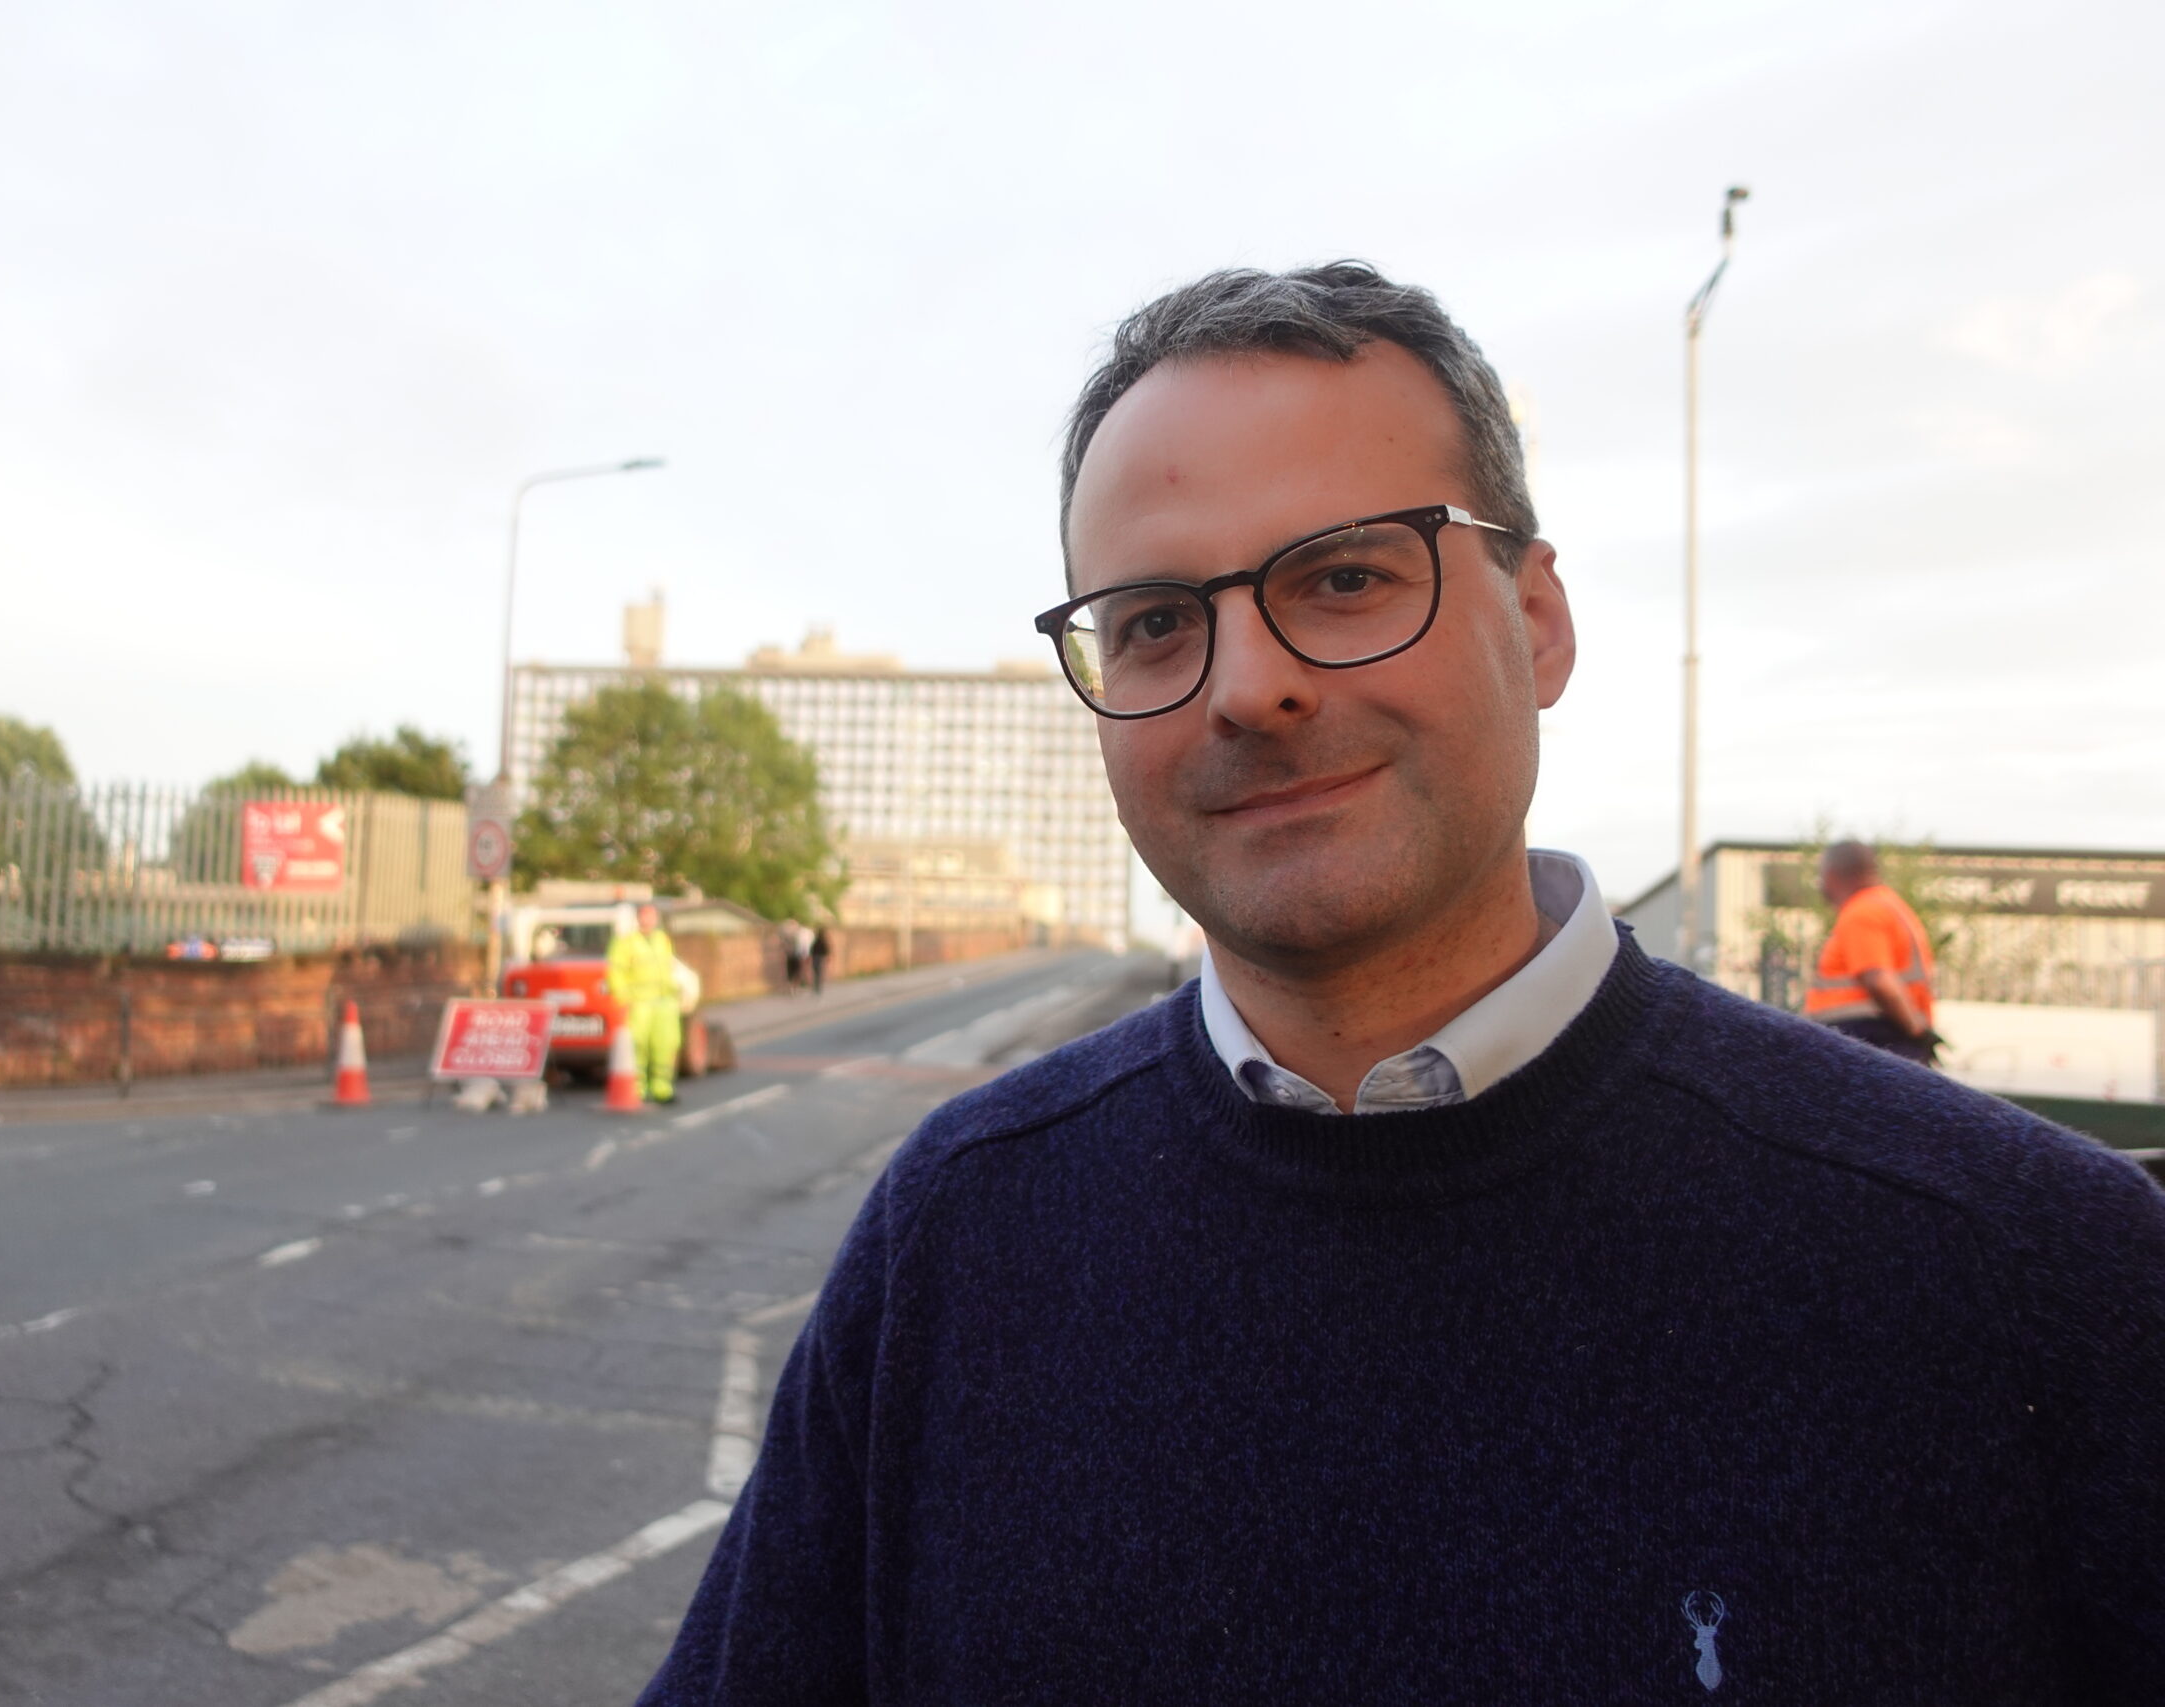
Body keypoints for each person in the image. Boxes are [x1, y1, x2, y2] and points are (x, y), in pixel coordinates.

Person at [639, 266, 2165, 1702]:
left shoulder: (2034, 1269)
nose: (1249, 685)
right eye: (1158, 621)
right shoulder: (956, 1235)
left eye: (1350, 575)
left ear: (1541, 619)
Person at [1806, 838, 1941, 1063]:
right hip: (1882, 1041)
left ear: (1829, 875)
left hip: (1865, 1039)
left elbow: (1878, 979)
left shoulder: (1863, 912)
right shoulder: (1890, 906)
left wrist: (1916, 1031)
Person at [606, 901, 683, 1105]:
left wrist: (675, 993)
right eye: (644, 915)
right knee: (637, 1046)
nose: (648, 919)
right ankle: (637, 1089)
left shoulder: (662, 939)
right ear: (638, 918)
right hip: (638, 1003)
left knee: (665, 1045)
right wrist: (622, 999)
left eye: (651, 915)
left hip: (663, 1001)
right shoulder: (626, 942)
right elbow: (616, 972)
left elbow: (669, 967)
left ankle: (662, 1088)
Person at [805, 923, 831, 996]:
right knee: (819, 973)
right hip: (820, 958)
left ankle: (816, 987)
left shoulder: (816, 941)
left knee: (816, 973)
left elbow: (812, 950)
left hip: (816, 958)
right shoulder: (823, 941)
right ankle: (818, 987)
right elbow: (826, 951)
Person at [782, 920, 807, 995]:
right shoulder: (795, 937)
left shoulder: (788, 937)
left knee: (792, 973)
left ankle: (793, 988)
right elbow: (800, 947)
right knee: (796, 973)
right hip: (794, 957)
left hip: (791, 957)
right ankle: (794, 988)